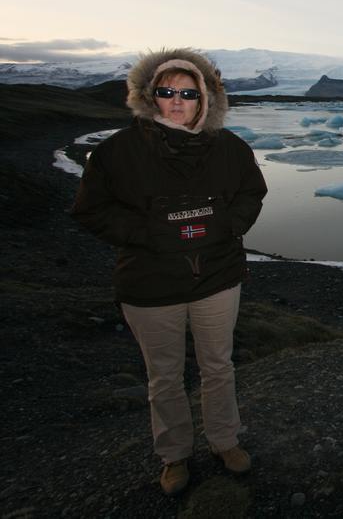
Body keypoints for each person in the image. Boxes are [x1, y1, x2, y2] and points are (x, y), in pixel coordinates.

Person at [71, 48, 268, 495]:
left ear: (205, 99)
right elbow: (91, 209)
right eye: (166, 92)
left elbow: (251, 193)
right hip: (149, 282)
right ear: (148, 97)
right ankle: (175, 455)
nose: (177, 101)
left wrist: (229, 224)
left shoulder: (231, 148)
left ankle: (224, 440)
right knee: (164, 375)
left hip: (216, 278)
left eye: (188, 92)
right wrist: (148, 231)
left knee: (218, 365)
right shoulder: (117, 152)